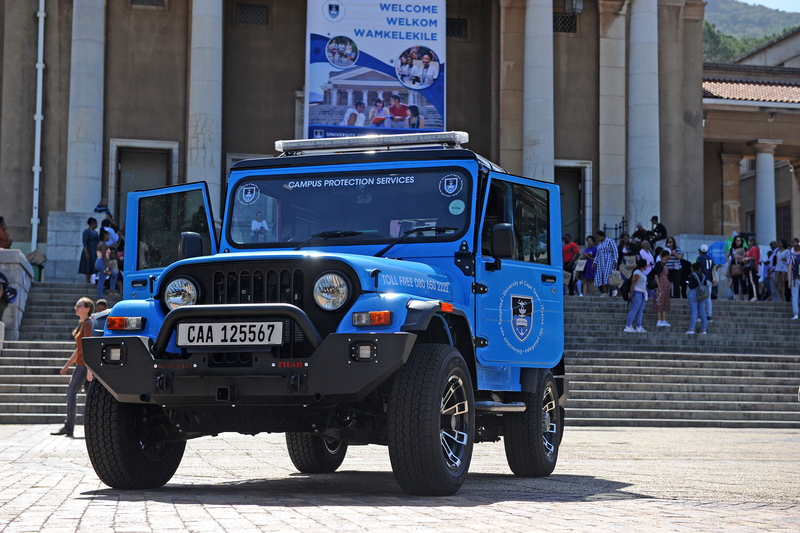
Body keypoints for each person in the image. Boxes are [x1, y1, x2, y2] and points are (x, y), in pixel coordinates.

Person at [51, 297, 95, 437]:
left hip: (83, 366)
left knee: (71, 393)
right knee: (91, 398)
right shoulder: (82, 324)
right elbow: (79, 350)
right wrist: (66, 366)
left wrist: (89, 370)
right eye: (76, 305)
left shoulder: (88, 325)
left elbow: (89, 347)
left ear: (87, 309)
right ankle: (94, 427)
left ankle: (69, 426)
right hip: (81, 365)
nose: (76, 307)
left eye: (79, 305)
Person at [624, 258, 649, 333]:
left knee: (640, 310)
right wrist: (631, 294)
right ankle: (628, 325)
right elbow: (633, 283)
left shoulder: (641, 273)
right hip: (637, 292)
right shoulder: (637, 272)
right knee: (634, 309)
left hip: (642, 293)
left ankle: (638, 326)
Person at [593, 230, 619, 297]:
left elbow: (615, 251)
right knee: (602, 277)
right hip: (601, 262)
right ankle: (605, 293)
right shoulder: (600, 244)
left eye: (598, 237)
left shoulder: (610, 241)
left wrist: (615, 260)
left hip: (609, 261)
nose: (597, 239)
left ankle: (614, 290)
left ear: (602, 236)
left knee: (608, 276)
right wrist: (594, 262)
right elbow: (598, 254)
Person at [95, 229, 118, 299]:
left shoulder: (100, 243)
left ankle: (111, 291)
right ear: (105, 235)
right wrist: (107, 266)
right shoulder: (103, 244)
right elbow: (104, 256)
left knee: (113, 275)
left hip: (100, 262)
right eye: (108, 235)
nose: (109, 237)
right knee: (103, 279)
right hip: (102, 262)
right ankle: (101, 296)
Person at [686, 262, 708, 335]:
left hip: (694, 293)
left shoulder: (692, 275)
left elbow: (691, 285)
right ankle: (703, 329)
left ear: (693, 268)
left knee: (694, 311)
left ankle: (691, 328)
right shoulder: (704, 275)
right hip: (702, 294)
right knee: (702, 311)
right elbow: (705, 285)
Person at [652, 250, 671, 327]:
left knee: (665, 302)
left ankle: (664, 320)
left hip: (665, 283)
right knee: (659, 301)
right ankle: (659, 320)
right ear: (666, 256)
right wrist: (659, 285)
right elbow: (656, 275)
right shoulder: (658, 264)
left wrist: (669, 282)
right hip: (661, 282)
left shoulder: (665, 264)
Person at [696, 244, 714, 321]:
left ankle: (700, 315)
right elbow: (713, 269)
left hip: (702, 279)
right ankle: (709, 315)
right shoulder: (710, 258)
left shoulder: (699, 258)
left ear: (700, 251)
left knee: (701, 297)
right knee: (708, 297)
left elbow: (697, 268)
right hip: (709, 279)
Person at [78, 218, 99, 283]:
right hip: (89, 250)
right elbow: (85, 243)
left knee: (93, 265)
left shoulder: (96, 232)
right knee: (88, 265)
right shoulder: (86, 232)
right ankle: (88, 280)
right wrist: (86, 252)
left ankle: (93, 279)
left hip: (94, 250)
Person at [727, 235, 746, 301]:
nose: (739, 242)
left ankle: (745, 298)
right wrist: (730, 262)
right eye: (738, 240)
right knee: (735, 283)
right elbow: (727, 256)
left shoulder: (744, 249)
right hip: (734, 267)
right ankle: (737, 298)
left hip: (742, 266)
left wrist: (740, 257)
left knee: (743, 282)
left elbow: (745, 256)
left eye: (740, 240)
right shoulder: (732, 249)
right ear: (735, 241)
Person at [744, 236, 761, 301]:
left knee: (752, 282)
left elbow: (754, 257)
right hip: (750, 268)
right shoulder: (751, 249)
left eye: (749, 241)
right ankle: (752, 296)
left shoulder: (754, 248)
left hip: (751, 267)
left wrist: (745, 258)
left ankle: (755, 296)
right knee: (750, 282)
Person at [790, 238, 800, 320]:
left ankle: (796, 314)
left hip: (795, 279)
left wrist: (789, 281)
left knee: (795, 296)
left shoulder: (792, 257)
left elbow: (789, 270)